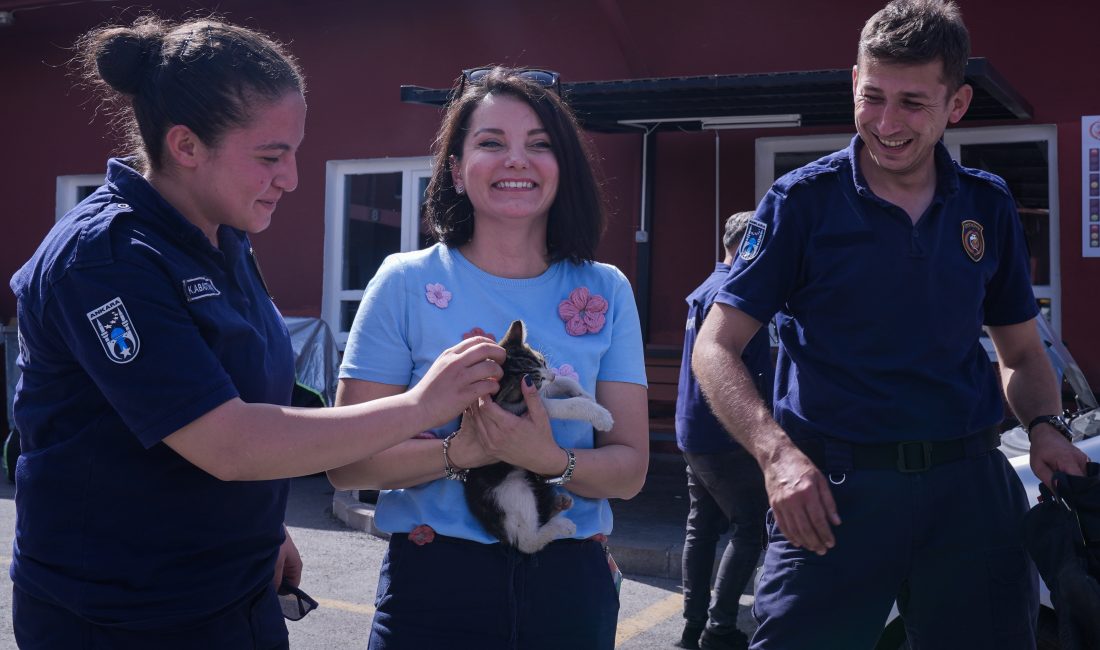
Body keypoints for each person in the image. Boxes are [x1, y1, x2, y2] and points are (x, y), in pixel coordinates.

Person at [9, 16, 504, 649]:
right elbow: (229, 442)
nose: (292, 177)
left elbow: (245, 391)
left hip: (230, 592)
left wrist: (263, 527)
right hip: (121, 614)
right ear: (186, 146)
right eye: (271, 156)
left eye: (294, 151)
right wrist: (420, 407)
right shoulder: (105, 260)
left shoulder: (222, 235)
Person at [692, 1, 1090, 648]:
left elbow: (1018, 352)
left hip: (969, 494)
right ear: (854, 82)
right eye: (872, 96)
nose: (885, 122)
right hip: (829, 494)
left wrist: (1044, 427)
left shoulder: (986, 205)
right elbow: (716, 347)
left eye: (912, 103)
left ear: (955, 105)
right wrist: (776, 456)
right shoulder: (801, 204)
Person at [327, 66, 649, 650]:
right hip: (435, 585)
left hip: (569, 584)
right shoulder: (405, 281)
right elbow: (347, 466)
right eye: (491, 143)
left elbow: (629, 471)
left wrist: (549, 458)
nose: (516, 161)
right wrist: (464, 452)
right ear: (455, 168)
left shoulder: (606, 290)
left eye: (540, 144)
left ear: (564, 167)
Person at [675, 212, 771, 650]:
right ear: (751, 244)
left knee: (703, 528)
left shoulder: (704, 290)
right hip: (727, 435)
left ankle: (693, 627)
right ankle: (719, 629)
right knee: (752, 527)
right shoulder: (739, 292)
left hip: (694, 430)